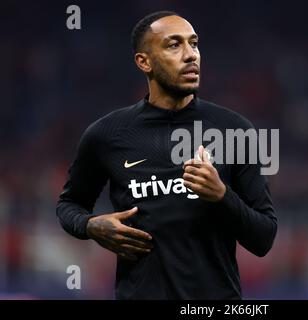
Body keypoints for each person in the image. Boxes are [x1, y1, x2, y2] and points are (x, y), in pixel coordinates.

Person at [56, 11, 277, 299]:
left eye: (194, 44)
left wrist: (221, 194)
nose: (191, 55)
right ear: (143, 62)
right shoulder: (106, 135)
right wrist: (89, 225)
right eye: (174, 45)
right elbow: (69, 204)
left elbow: (264, 238)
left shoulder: (234, 130)